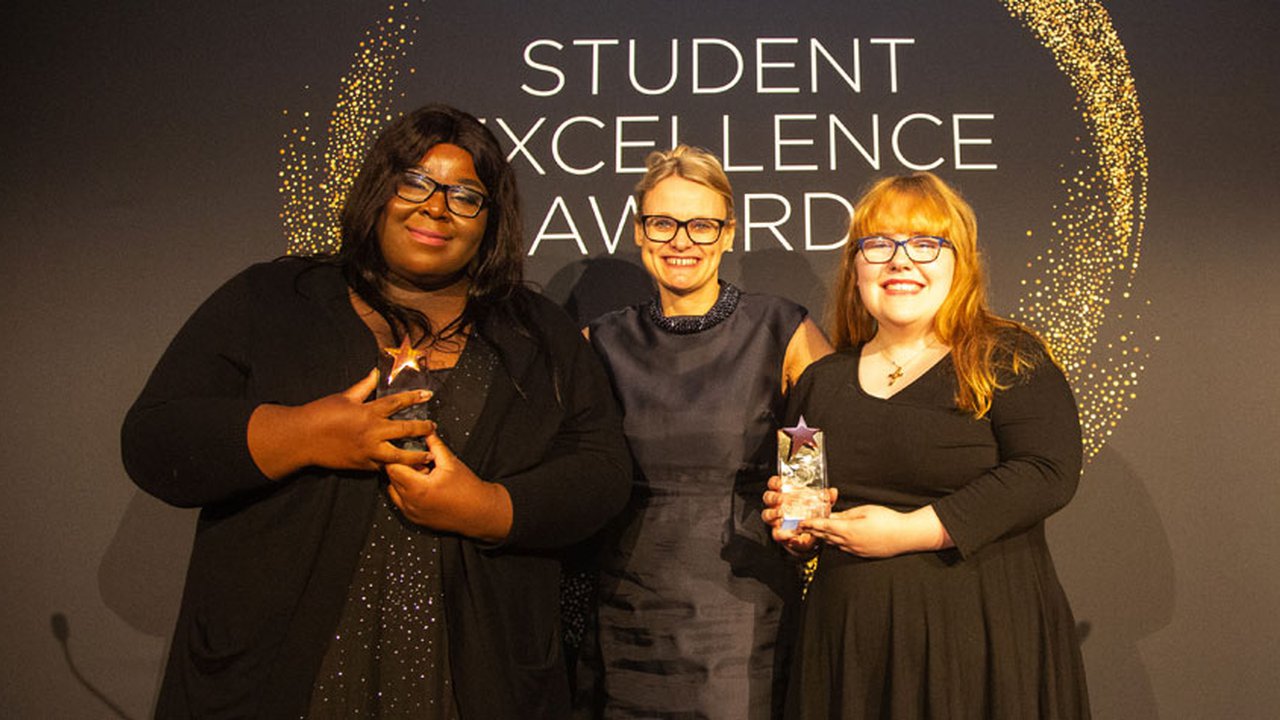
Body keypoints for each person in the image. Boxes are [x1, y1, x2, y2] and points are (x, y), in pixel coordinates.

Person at [121, 104, 631, 719]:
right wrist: (303, 435)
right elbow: (156, 440)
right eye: (415, 181)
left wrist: (489, 508)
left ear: (490, 220)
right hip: (273, 673)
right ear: (379, 189)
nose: (436, 207)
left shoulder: (537, 332)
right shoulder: (272, 299)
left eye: (465, 195)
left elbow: (602, 471)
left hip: (476, 677)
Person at [763, 171, 1090, 719]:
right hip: (852, 653)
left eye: (924, 243)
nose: (899, 260)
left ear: (959, 262)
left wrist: (912, 531)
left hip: (982, 643)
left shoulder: (1006, 357)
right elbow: (802, 502)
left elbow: (1046, 471)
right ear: (855, 267)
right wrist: (795, 532)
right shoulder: (820, 382)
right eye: (878, 244)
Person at [581, 146, 832, 719]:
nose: (681, 240)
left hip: (746, 600)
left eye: (702, 224)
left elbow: (810, 439)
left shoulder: (781, 327)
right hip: (628, 605)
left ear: (727, 233)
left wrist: (800, 524)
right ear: (640, 231)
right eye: (663, 223)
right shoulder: (603, 341)